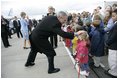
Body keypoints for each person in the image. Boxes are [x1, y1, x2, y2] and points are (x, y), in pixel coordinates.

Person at [104, 9, 117, 78]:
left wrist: (107, 42)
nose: (112, 17)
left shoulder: (116, 25)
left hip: (114, 46)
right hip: (114, 45)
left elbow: (114, 36)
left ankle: (113, 72)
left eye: (114, 16)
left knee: (113, 60)